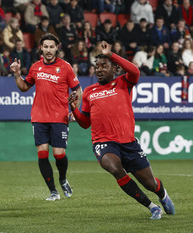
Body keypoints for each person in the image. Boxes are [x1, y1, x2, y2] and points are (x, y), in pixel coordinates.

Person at [68, 40, 175, 220]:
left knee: (150, 182)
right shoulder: (89, 92)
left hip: (128, 142)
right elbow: (85, 123)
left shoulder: (123, 83)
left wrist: (112, 54)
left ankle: (163, 195)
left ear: (115, 68)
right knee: (114, 167)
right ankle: (152, 207)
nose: (99, 70)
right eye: (97, 67)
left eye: (104, 66)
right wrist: (74, 109)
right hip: (103, 142)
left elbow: (135, 71)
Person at [10, 33, 82, 201]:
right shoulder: (35, 67)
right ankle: (53, 191)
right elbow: (24, 87)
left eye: (51, 47)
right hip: (39, 116)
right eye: (46, 47)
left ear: (57, 48)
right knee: (42, 154)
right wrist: (16, 74)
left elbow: (77, 89)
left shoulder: (66, 67)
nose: (48, 50)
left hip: (59, 116)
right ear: (40, 48)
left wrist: (75, 110)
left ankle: (63, 179)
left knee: (58, 154)